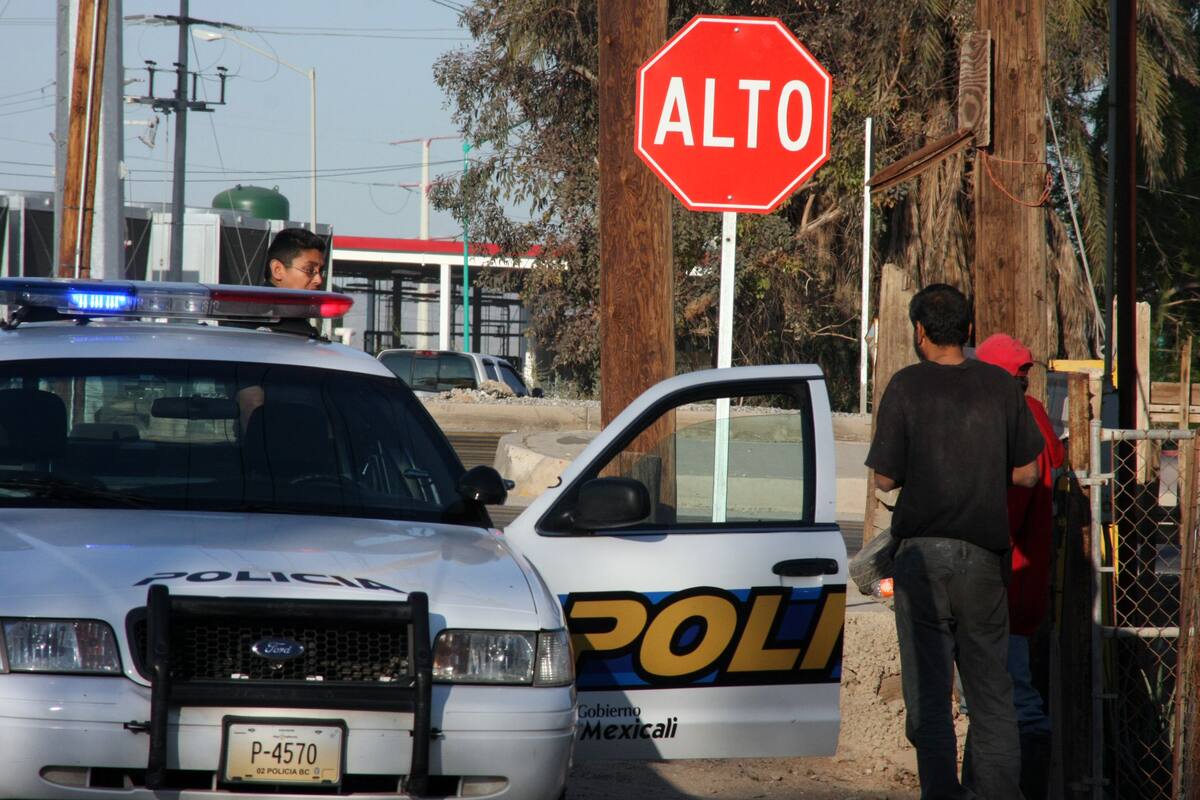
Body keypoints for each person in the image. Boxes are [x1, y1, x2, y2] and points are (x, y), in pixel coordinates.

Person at [865, 283, 1045, 799]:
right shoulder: (1000, 388)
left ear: (919, 332)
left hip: (921, 561)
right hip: (986, 563)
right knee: (992, 697)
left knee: (930, 693)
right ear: (968, 331)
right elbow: (1029, 474)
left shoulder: (904, 387)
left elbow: (883, 479)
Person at [974, 333, 1065, 800]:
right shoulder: (1037, 419)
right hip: (1021, 583)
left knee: (1009, 699)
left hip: (1002, 583)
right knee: (1002, 695)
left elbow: (1004, 511)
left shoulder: (1015, 421)